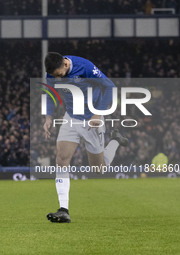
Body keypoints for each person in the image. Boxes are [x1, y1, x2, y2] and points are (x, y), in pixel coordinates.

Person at [43, 52, 128, 223]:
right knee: (61, 160)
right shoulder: (52, 72)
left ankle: (115, 140)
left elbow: (110, 86)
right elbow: (50, 92)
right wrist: (48, 116)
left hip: (92, 120)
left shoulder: (85, 66)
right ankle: (63, 209)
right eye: (54, 76)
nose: (56, 78)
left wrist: (98, 114)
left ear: (65, 65)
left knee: (99, 169)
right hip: (71, 118)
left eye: (58, 75)